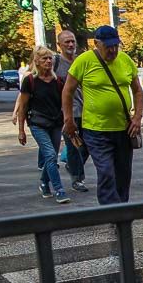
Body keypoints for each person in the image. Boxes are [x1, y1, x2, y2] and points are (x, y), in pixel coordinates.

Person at [62, 25, 143, 205]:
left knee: (123, 173)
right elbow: (68, 91)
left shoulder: (125, 60)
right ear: (96, 44)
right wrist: (68, 119)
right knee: (106, 171)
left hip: (124, 129)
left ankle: (121, 209)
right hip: (96, 130)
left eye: (116, 45)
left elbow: (137, 91)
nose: (113, 50)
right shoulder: (84, 61)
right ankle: (112, 212)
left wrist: (137, 118)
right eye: (108, 46)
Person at [18, 46, 71, 204]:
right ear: (37, 62)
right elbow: (23, 106)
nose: (48, 61)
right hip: (38, 124)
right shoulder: (30, 81)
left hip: (55, 123)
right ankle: (59, 189)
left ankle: (43, 182)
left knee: (51, 157)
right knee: (50, 156)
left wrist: (68, 121)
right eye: (44, 59)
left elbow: (65, 103)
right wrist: (21, 130)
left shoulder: (59, 81)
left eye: (50, 58)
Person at [52, 30, 89, 192]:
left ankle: (72, 166)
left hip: (87, 111)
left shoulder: (82, 61)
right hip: (67, 113)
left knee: (87, 145)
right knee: (73, 145)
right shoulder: (55, 63)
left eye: (72, 41)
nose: (71, 44)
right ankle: (77, 179)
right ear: (58, 45)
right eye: (66, 42)